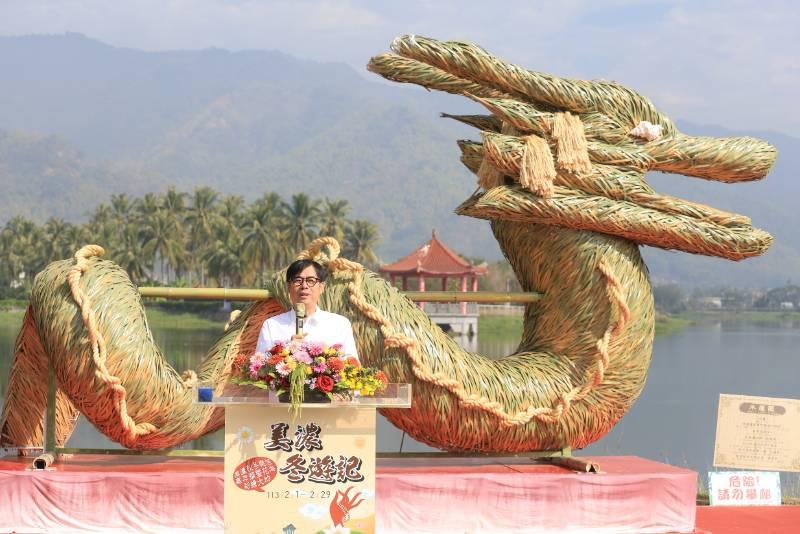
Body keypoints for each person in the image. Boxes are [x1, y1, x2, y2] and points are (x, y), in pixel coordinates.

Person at [255, 259, 358, 360]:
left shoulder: (339, 324)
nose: (304, 286)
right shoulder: (272, 326)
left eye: (310, 281)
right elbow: (259, 367)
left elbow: (352, 365)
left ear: (321, 287)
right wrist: (287, 350)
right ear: (289, 287)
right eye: (298, 281)